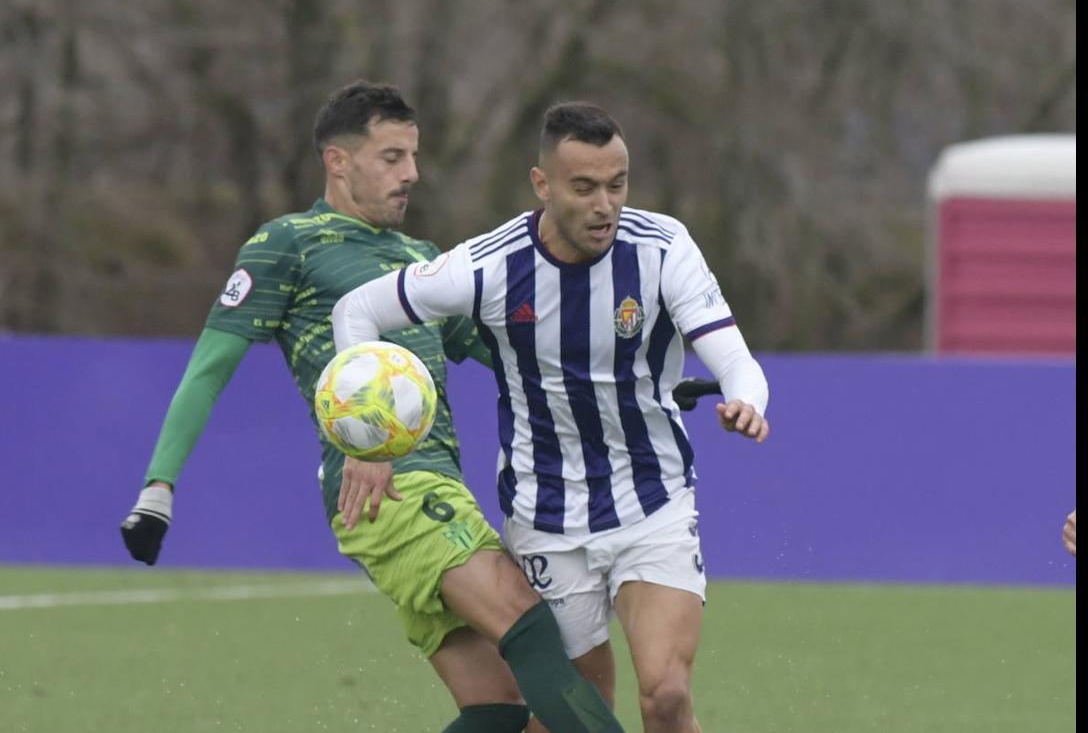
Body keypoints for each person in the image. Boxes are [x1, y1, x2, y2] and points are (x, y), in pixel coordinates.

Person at [119, 82, 626, 733]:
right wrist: (158, 488)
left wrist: (637, 387)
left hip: (439, 486)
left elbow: (520, 356)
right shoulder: (290, 245)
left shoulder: (420, 262)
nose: (411, 173)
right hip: (387, 489)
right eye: (391, 157)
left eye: (413, 157)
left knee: (498, 705)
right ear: (339, 161)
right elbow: (209, 368)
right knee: (529, 628)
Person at [332, 102, 770, 733]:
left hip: (652, 501)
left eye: (616, 185)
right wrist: (366, 442)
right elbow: (356, 311)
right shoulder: (487, 267)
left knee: (667, 695)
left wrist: (746, 401)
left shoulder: (663, 248)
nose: (604, 205)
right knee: (575, 715)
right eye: (584, 187)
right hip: (547, 519)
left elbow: (736, 360)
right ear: (542, 186)